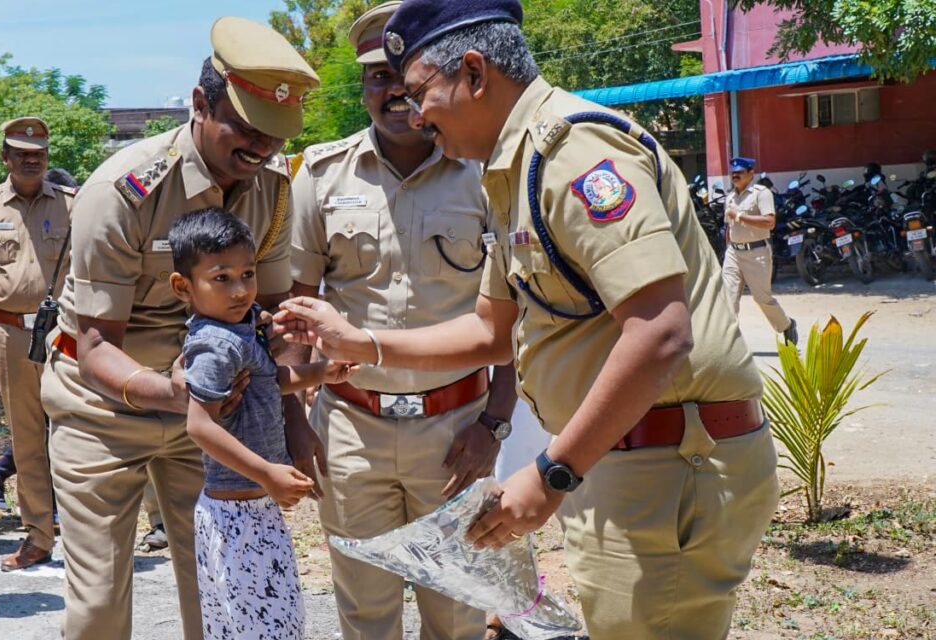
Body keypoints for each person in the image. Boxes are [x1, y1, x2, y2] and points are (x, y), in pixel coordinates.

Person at [274, 1, 781, 638]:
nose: (416, 113)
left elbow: (659, 331)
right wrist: (364, 343)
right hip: (623, 455)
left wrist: (551, 471)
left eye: (422, 92)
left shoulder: (574, 151)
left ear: (476, 74)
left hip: (664, 460)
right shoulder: (513, 171)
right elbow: (491, 330)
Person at [38, 16, 319, 640]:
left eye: (273, 134)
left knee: (219, 590)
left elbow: (270, 321)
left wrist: (291, 422)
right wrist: (174, 394)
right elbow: (94, 345)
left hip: (214, 415)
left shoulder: (271, 190)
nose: (261, 148)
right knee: (97, 610)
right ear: (199, 103)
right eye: (244, 129)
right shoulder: (123, 192)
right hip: (103, 411)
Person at [288, 4, 517, 639]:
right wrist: (295, 420)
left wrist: (495, 424)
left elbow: (512, 317)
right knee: (366, 615)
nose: (391, 92)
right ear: (362, 89)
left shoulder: (484, 176)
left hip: (457, 431)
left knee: (458, 610)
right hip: (350, 431)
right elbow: (297, 311)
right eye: (375, 79)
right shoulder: (320, 175)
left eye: (401, 75)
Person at [171, 208, 355, 638]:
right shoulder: (216, 344)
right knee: (272, 628)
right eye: (222, 278)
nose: (240, 290)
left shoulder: (240, 326)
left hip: (246, 508)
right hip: (239, 512)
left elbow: (268, 383)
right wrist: (268, 473)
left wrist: (321, 373)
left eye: (248, 274)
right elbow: (200, 425)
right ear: (183, 286)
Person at [0, 118, 76, 571]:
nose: (32, 159)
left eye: (39, 153)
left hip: (66, 332)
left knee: (78, 432)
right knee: (27, 437)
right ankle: (39, 536)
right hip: (8, 333)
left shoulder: (75, 205)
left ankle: (87, 534)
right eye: (21, 153)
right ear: (4, 157)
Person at [723, 157, 797, 344]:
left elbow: (769, 221)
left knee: (762, 298)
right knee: (727, 299)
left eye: (739, 172)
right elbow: (728, 227)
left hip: (756, 254)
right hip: (733, 253)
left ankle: (786, 325)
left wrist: (739, 216)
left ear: (750, 173)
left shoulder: (761, 193)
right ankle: (730, 343)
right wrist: (728, 246)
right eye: (732, 172)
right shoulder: (730, 197)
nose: (735, 175)